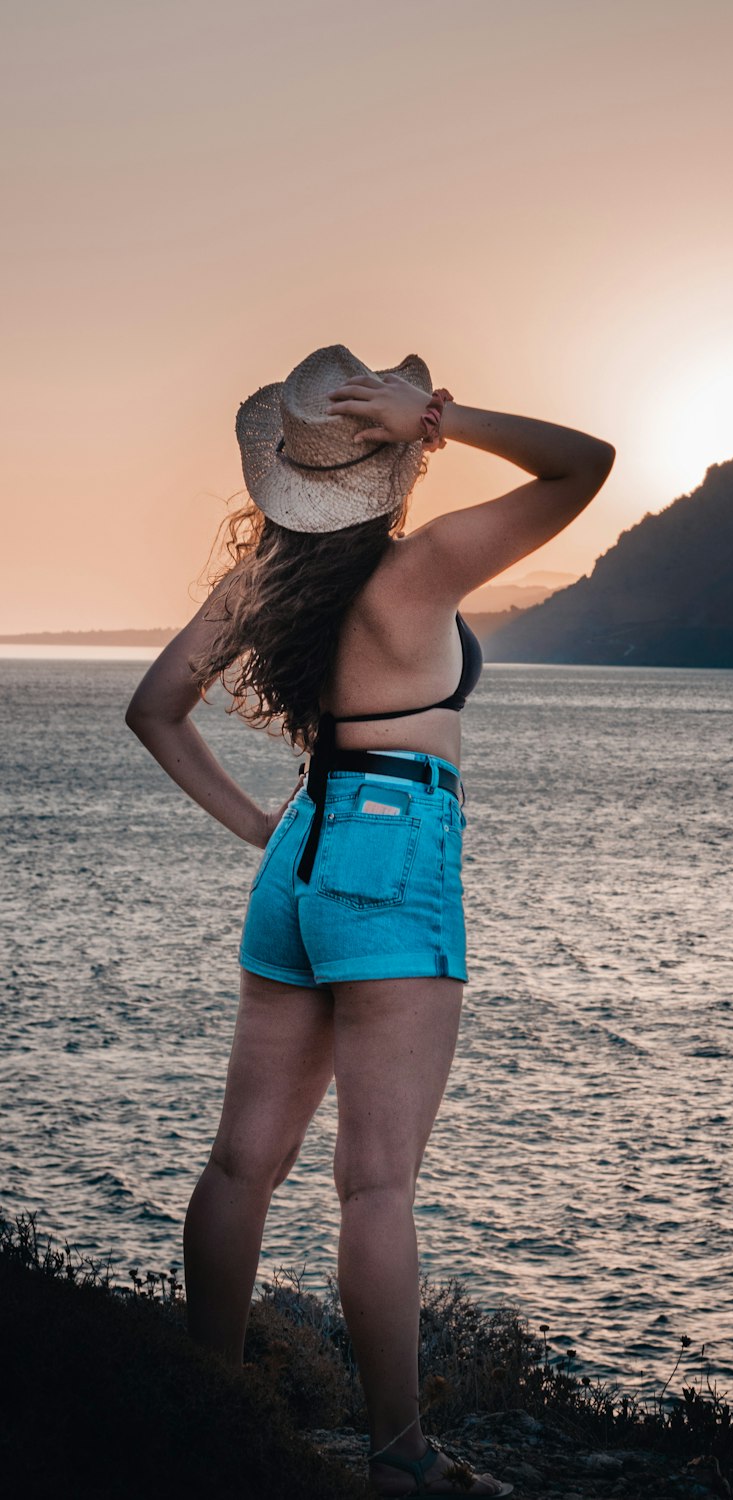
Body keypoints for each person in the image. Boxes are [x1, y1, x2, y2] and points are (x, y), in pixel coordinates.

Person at [125, 343, 615, 1497]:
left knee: (243, 1163)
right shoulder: (426, 565)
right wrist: (441, 410)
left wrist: (263, 829)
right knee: (375, 1182)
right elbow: (583, 467)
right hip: (394, 852)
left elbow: (154, 711)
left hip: (302, 842)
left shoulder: (263, 588)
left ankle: (216, 1409)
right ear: (389, 464)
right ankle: (398, 1453)